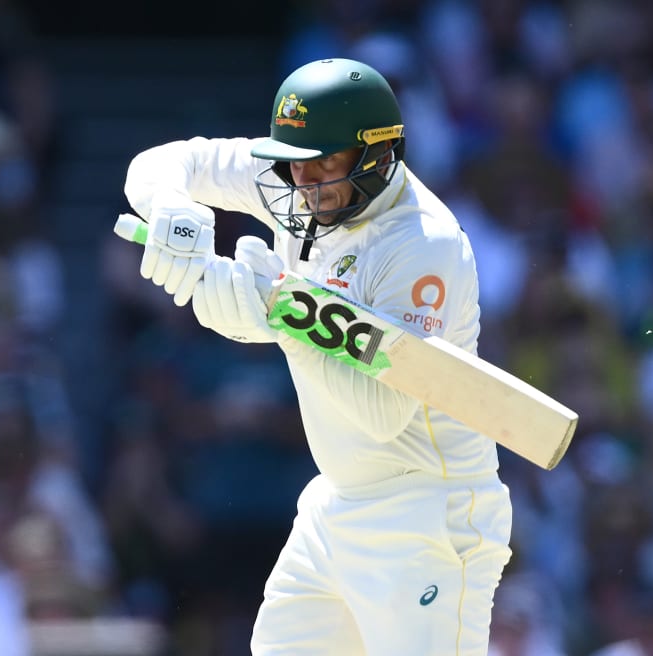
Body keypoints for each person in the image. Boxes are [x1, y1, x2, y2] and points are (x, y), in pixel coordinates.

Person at [122, 57, 513, 655]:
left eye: (325, 163)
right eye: (294, 163)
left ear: (379, 154)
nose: (304, 183)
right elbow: (167, 161)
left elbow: (383, 414)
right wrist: (174, 208)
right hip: (337, 503)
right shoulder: (302, 173)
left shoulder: (421, 246)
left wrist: (282, 314)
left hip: (427, 515)